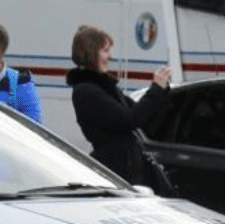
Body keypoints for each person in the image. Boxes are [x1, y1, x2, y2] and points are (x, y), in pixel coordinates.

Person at [66, 24, 170, 185]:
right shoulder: (86, 91)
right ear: (91, 53)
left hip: (128, 169)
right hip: (116, 172)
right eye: (105, 50)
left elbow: (141, 113)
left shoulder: (105, 87)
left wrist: (162, 89)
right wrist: (156, 89)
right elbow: (129, 120)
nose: (109, 56)